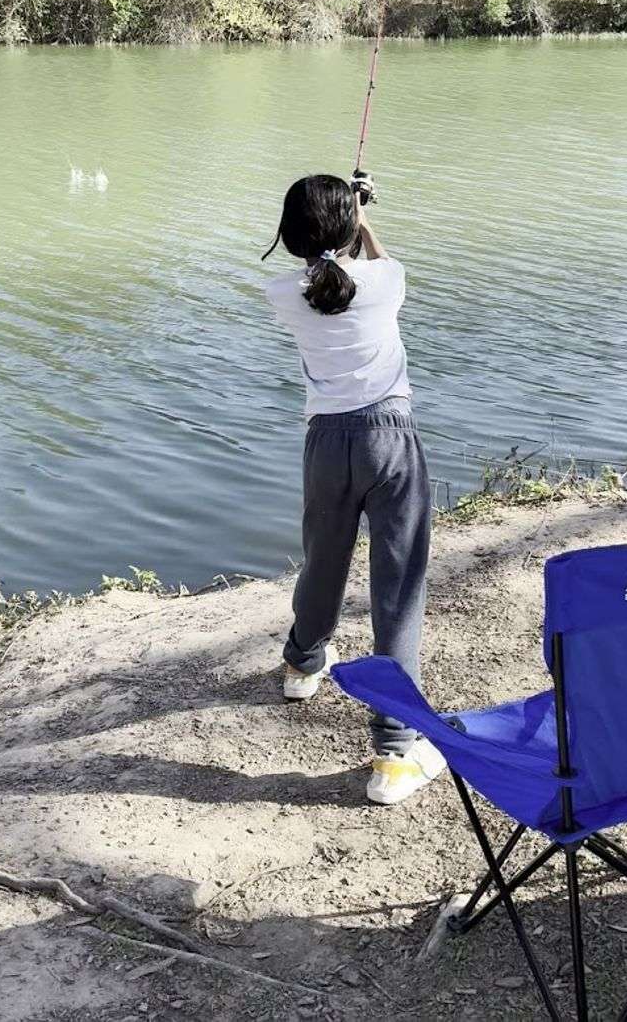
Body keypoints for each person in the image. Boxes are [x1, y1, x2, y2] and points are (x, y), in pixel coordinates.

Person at [263, 172, 443, 805]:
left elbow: (326, 277)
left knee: (324, 558)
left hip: (326, 443)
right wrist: (362, 218)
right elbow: (378, 265)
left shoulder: (282, 294)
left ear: (289, 234)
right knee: (398, 582)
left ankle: (302, 665)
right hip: (389, 439)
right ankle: (394, 754)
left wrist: (344, 224)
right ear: (347, 227)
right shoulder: (384, 280)